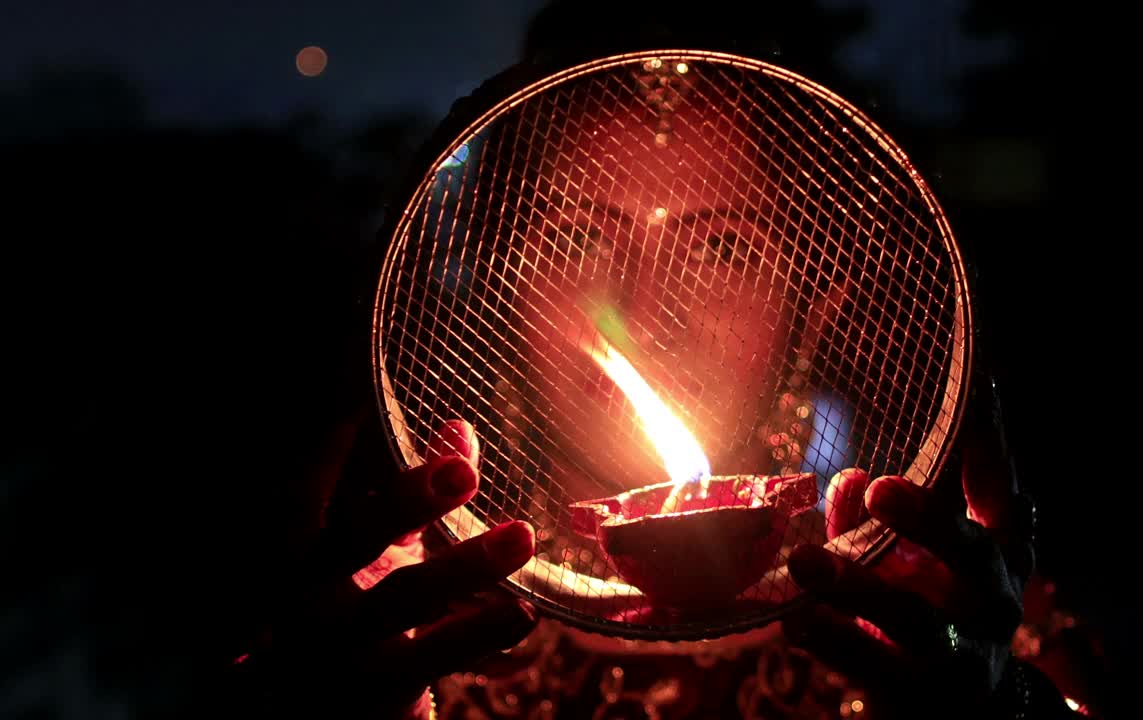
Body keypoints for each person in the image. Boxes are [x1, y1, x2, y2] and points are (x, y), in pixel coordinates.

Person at [211, 49, 1075, 720]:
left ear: (814, 304)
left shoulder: (938, 622)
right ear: (504, 285)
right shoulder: (388, 625)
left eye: (721, 247)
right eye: (578, 237)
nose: (646, 311)